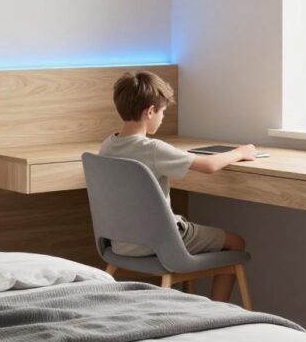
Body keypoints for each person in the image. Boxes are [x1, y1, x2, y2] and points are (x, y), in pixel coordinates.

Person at [99, 70, 257, 302]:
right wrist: (240, 152)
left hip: (121, 245)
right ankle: (215, 316)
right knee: (236, 243)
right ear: (150, 111)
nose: (162, 117)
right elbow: (210, 165)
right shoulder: (153, 149)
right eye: (162, 112)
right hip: (161, 244)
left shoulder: (107, 146)